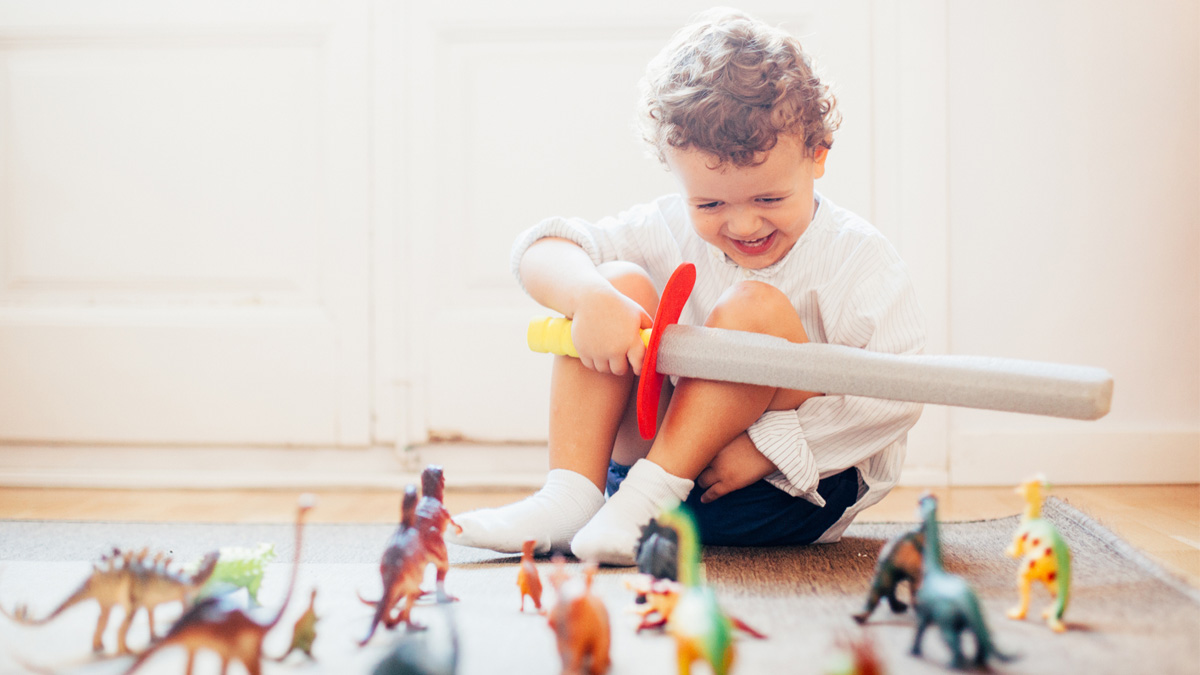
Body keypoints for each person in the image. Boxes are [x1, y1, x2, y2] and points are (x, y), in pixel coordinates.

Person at [449, 7, 925, 565]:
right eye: (710, 203)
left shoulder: (859, 256)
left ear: (817, 156)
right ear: (677, 177)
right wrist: (590, 298)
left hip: (786, 491)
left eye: (769, 199)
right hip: (641, 486)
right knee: (616, 280)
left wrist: (763, 449)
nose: (744, 225)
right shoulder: (663, 227)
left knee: (752, 309)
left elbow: (897, 394)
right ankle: (571, 500)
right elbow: (540, 248)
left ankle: (646, 502)